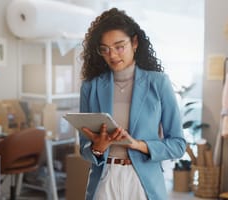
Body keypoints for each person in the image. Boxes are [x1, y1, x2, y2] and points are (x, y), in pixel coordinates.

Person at [78, 7, 186, 200]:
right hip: (105, 179)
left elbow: (177, 145)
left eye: (119, 46)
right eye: (105, 49)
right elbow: (84, 149)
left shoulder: (158, 83)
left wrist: (137, 144)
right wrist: (98, 148)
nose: (112, 55)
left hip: (142, 182)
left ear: (134, 42)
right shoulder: (91, 86)